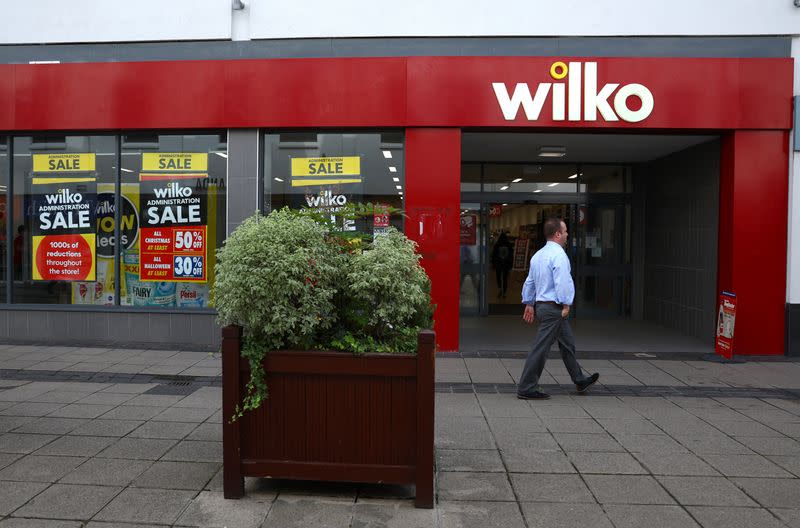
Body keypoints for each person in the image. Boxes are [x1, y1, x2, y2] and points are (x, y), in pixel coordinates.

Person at [517, 217, 599, 400]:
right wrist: (566, 303)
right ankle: (526, 387)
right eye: (566, 231)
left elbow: (530, 281)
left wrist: (529, 303)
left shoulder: (538, 255)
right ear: (557, 234)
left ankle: (579, 379)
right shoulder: (559, 255)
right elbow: (563, 281)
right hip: (554, 308)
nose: (568, 234)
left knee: (567, 343)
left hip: (543, 306)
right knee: (540, 348)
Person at [491, 231, 514, 298]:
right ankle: (504, 291)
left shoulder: (497, 245)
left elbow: (494, 255)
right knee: (505, 278)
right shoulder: (509, 245)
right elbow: (511, 256)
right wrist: (510, 265)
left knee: (498, 277)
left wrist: (493, 264)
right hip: (506, 265)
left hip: (498, 264)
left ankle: (500, 288)